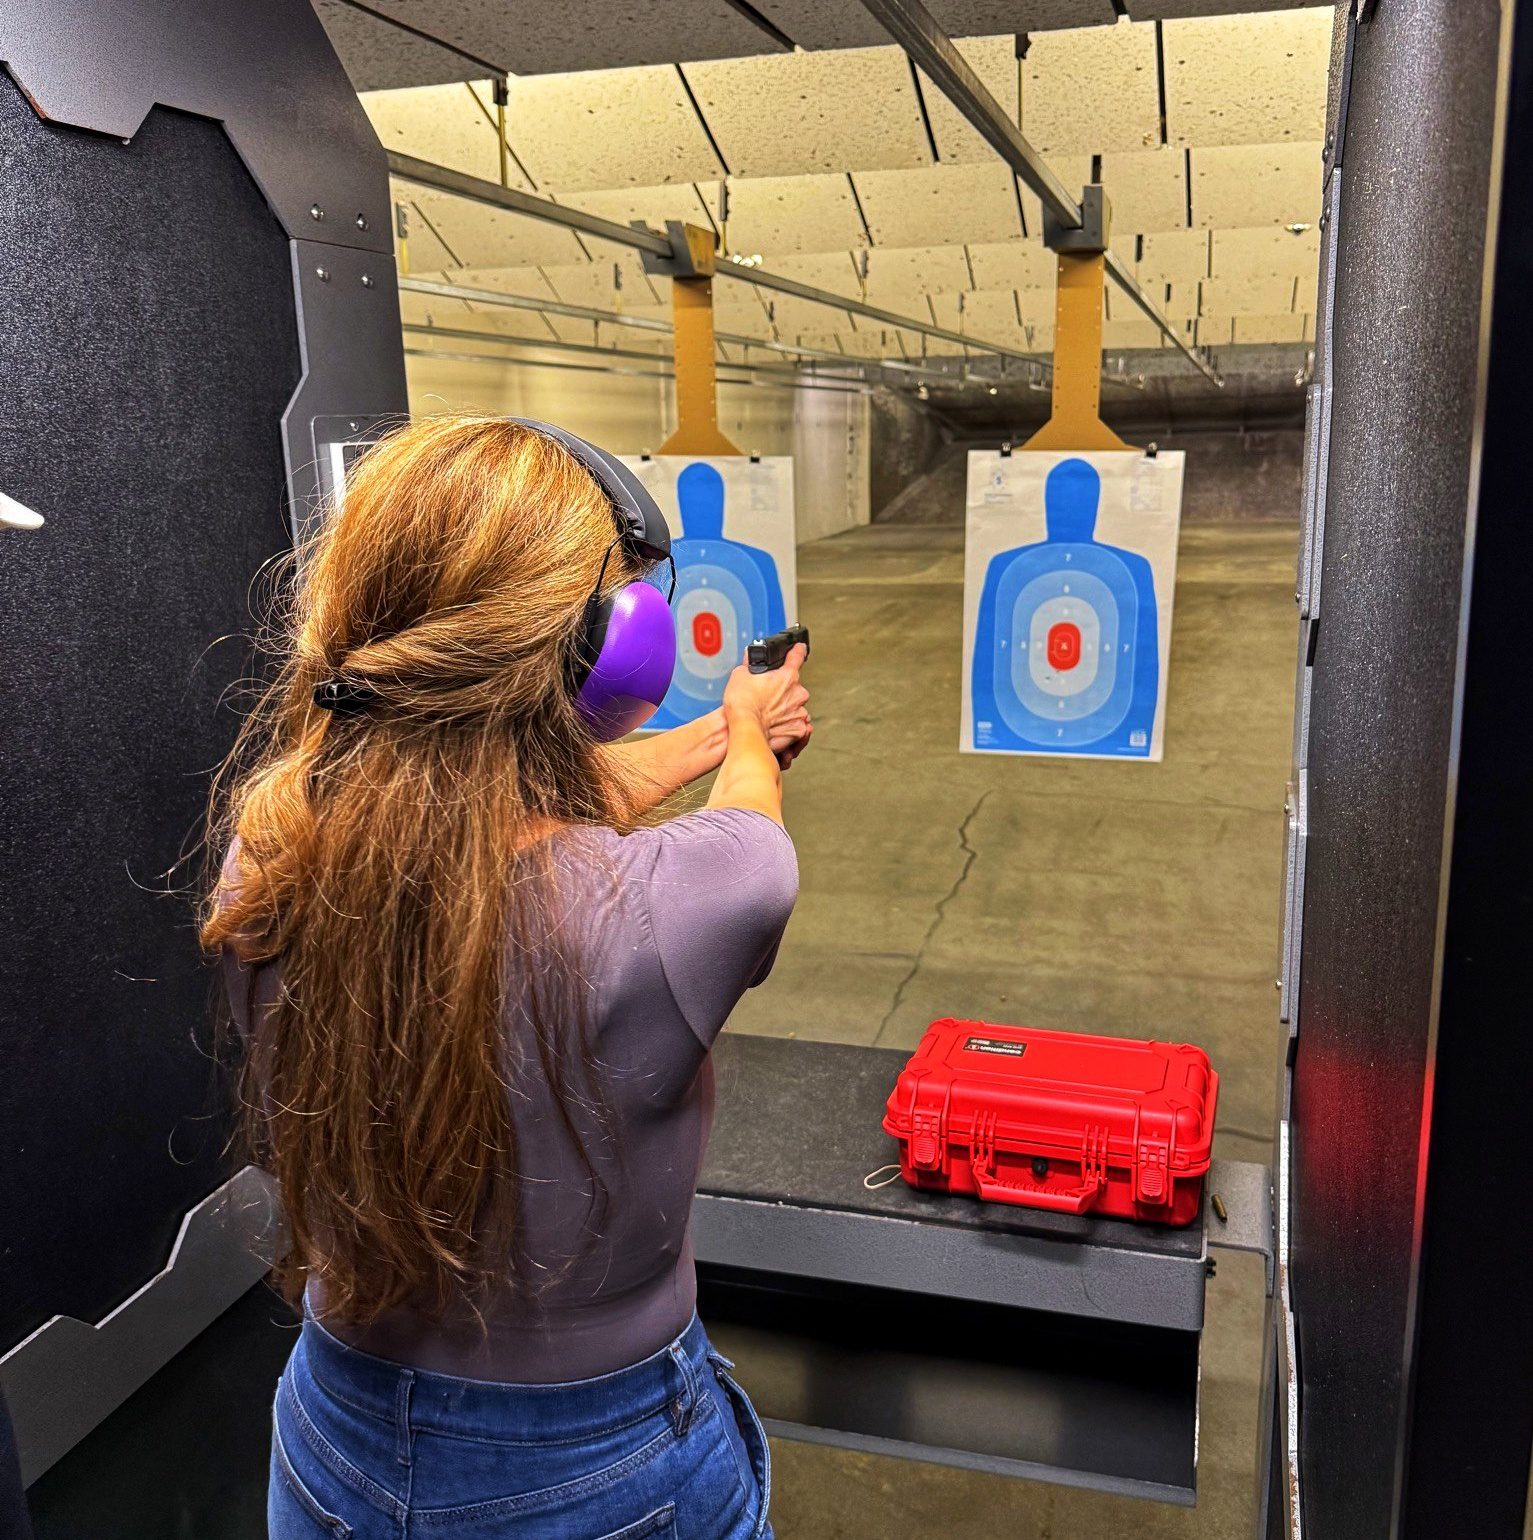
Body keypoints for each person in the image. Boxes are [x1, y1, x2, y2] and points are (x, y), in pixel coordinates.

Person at [202, 416, 810, 1540]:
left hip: (329, 1434)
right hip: (601, 1467)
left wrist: (703, 738)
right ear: (609, 650)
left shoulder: (272, 847)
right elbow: (746, 828)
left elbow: (462, 815)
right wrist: (742, 738)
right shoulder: (701, 899)